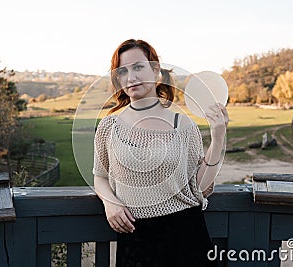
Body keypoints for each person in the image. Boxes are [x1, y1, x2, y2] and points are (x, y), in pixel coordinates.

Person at [93, 39, 228, 267]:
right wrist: (110, 203)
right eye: (123, 71)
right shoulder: (109, 126)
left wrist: (218, 138)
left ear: (155, 70)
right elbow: (100, 176)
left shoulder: (183, 125)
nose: (131, 78)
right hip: (135, 238)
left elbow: (201, 186)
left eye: (138, 67)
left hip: (186, 236)